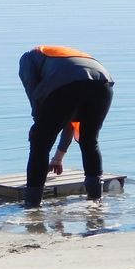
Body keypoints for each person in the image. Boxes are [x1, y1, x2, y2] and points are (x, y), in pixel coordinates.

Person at [18, 46, 114, 208]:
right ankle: (96, 201)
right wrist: (58, 158)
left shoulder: (27, 59)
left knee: (40, 144)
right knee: (89, 140)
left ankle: (32, 205)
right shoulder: (61, 57)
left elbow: (34, 92)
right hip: (102, 82)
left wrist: (38, 123)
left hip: (67, 84)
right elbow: (70, 119)